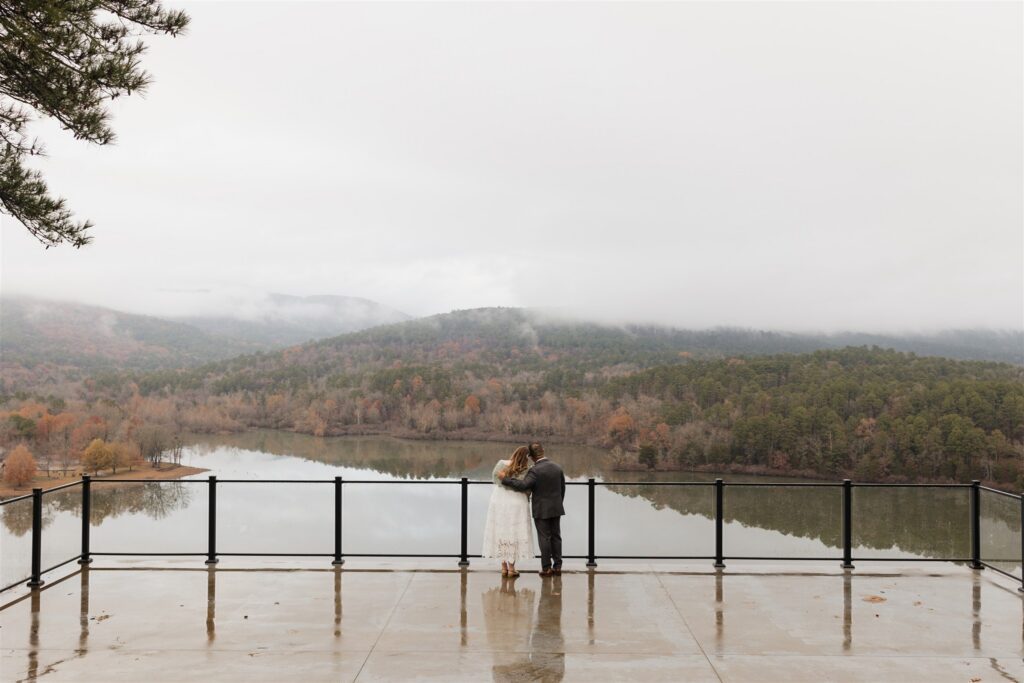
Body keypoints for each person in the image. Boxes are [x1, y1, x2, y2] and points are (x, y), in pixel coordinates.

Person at [502, 442, 565, 576]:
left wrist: (505, 479)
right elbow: (562, 489)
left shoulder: (535, 470)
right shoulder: (557, 467)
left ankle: (546, 568)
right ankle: (558, 566)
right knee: (556, 536)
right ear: (543, 451)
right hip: (556, 507)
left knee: (544, 538)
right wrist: (558, 503)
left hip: (541, 509)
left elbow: (524, 485)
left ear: (531, 456)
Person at [481, 446, 535, 577]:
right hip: (517, 501)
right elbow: (523, 486)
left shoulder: (501, 464)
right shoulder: (526, 469)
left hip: (499, 500)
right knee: (514, 532)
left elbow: (495, 479)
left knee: (501, 531)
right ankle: (511, 568)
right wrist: (514, 486)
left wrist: (504, 480)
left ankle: (504, 567)